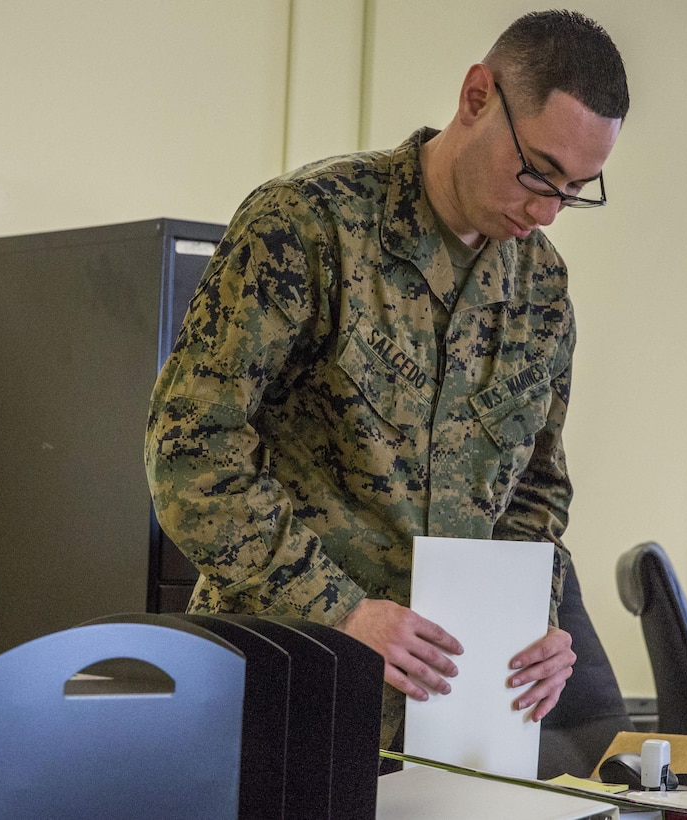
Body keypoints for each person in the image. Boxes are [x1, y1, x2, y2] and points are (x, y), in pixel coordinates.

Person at [144, 8, 629, 755]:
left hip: (457, 722)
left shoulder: (541, 289)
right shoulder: (309, 225)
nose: (547, 212)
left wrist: (537, 618)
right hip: (286, 688)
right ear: (476, 97)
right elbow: (191, 449)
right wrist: (338, 609)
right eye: (537, 171)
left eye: (574, 189)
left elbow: (536, 490)